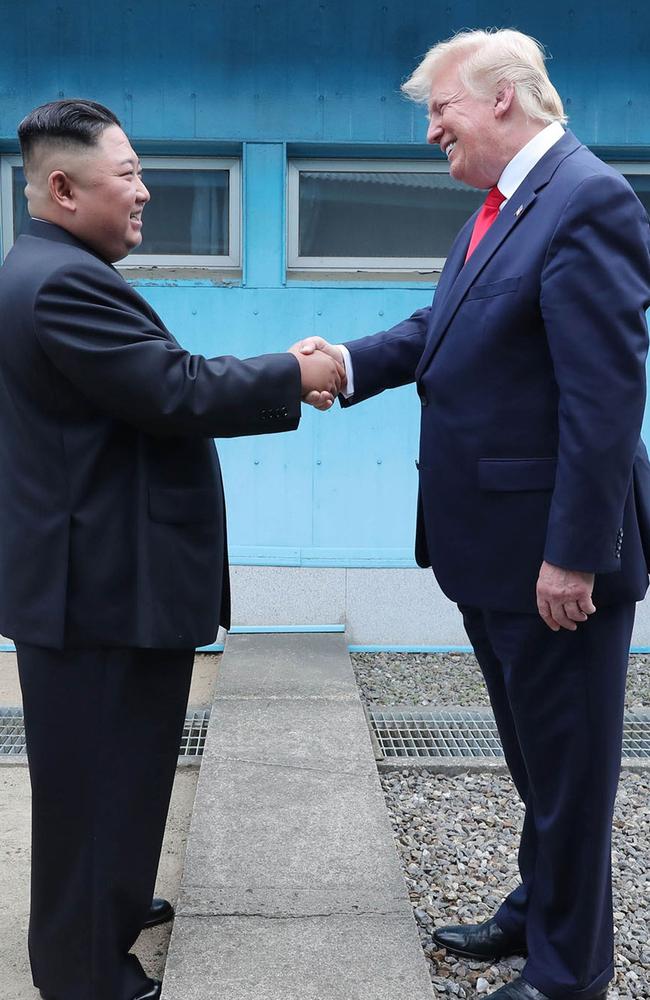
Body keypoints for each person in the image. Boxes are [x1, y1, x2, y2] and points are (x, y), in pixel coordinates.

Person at [296, 28, 650, 1000]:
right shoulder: (497, 210)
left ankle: (566, 973)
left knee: (570, 772)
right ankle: (537, 909)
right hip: (490, 549)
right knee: (536, 754)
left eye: (436, 109)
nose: (427, 130)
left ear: (500, 97)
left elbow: (604, 396)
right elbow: (439, 329)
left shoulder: (585, 200)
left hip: (550, 557)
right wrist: (348, 363)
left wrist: (574, 554)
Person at [0, 99, 343, 1000]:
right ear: (64, 188)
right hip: (98, 588)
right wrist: (293, 371)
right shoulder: (60, 281)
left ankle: (111, 902)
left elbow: (151, 387)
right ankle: (79, 970)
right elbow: (172, 389)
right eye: (129, 176)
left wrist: (273, 367)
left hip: (110, 576)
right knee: (93, 786)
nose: (146, 192)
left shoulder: (53, 267)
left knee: (126, 767)